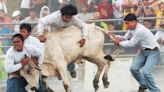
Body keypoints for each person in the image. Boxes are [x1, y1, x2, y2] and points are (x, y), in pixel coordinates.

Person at [105, 13, 161, 92]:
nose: (127, 25)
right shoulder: (132, 29)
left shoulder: (140, 30)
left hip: (153, 52)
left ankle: (155, 91)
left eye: (128, 23)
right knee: (133, 69)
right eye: (126, 23)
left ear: (134, 21)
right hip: (144, 51)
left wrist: (118, 43)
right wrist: (114, 35)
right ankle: (143, 85)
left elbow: (131, 43)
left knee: (146, 72)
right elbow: (125, 37)